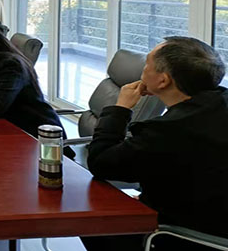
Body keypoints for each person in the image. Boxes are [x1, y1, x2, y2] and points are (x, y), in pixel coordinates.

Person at [81, 37, 228, 251]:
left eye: (147, 65)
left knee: (88, 216)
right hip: (212, 219)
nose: (143, 70)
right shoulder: (218, 105)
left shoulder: (168, 131)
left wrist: (120, 109)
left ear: (163, 81)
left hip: (184, 237)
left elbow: (101, 163)